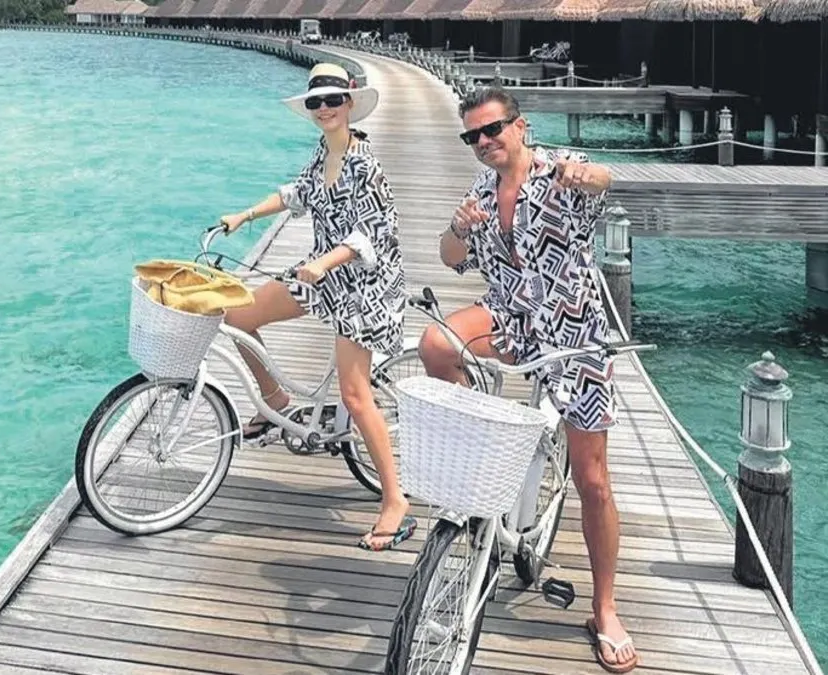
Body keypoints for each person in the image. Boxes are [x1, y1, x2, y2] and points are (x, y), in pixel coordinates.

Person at [420, 86, 638, 674]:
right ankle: (478, 452)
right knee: (436, 344)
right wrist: (458, 227)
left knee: (593, 480)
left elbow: (602, 180)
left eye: (492, 129)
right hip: (511, 317)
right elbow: (449, 257)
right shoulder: (480, 192)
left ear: (520, 127)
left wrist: (587, 174)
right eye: (472, 136)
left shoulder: (559, 171)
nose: (483, 142)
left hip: (572, 328)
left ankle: (605, 608)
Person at [217, 63, 413, 552]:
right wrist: (244, 215)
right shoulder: (323, 152)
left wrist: (325, 262)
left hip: (366, 286)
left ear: (349, 103)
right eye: (315, 102)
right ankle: (275, 403)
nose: (324, 108)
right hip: (322, 274)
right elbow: (296, 194)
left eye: (332, 100)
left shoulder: (365, 165)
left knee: (355, 395)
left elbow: (373, 234)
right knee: (237, 313)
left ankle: (394, 500)